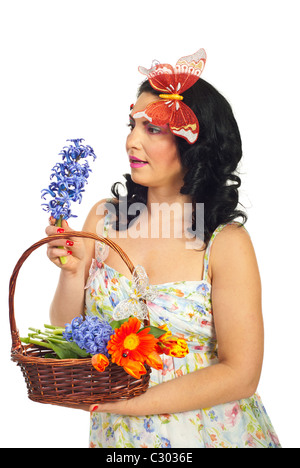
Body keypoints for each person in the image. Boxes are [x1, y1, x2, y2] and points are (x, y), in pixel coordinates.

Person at [46, 49, 281, 448]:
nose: (131, 141)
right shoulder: (103, 219)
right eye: (132, 125)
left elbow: (242, 373)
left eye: (153, 129)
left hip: (212, 435)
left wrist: (128, 404)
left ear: (196, 145)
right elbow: (68, 332)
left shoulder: (225, 244)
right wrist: (71, 273)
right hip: (119, 440)